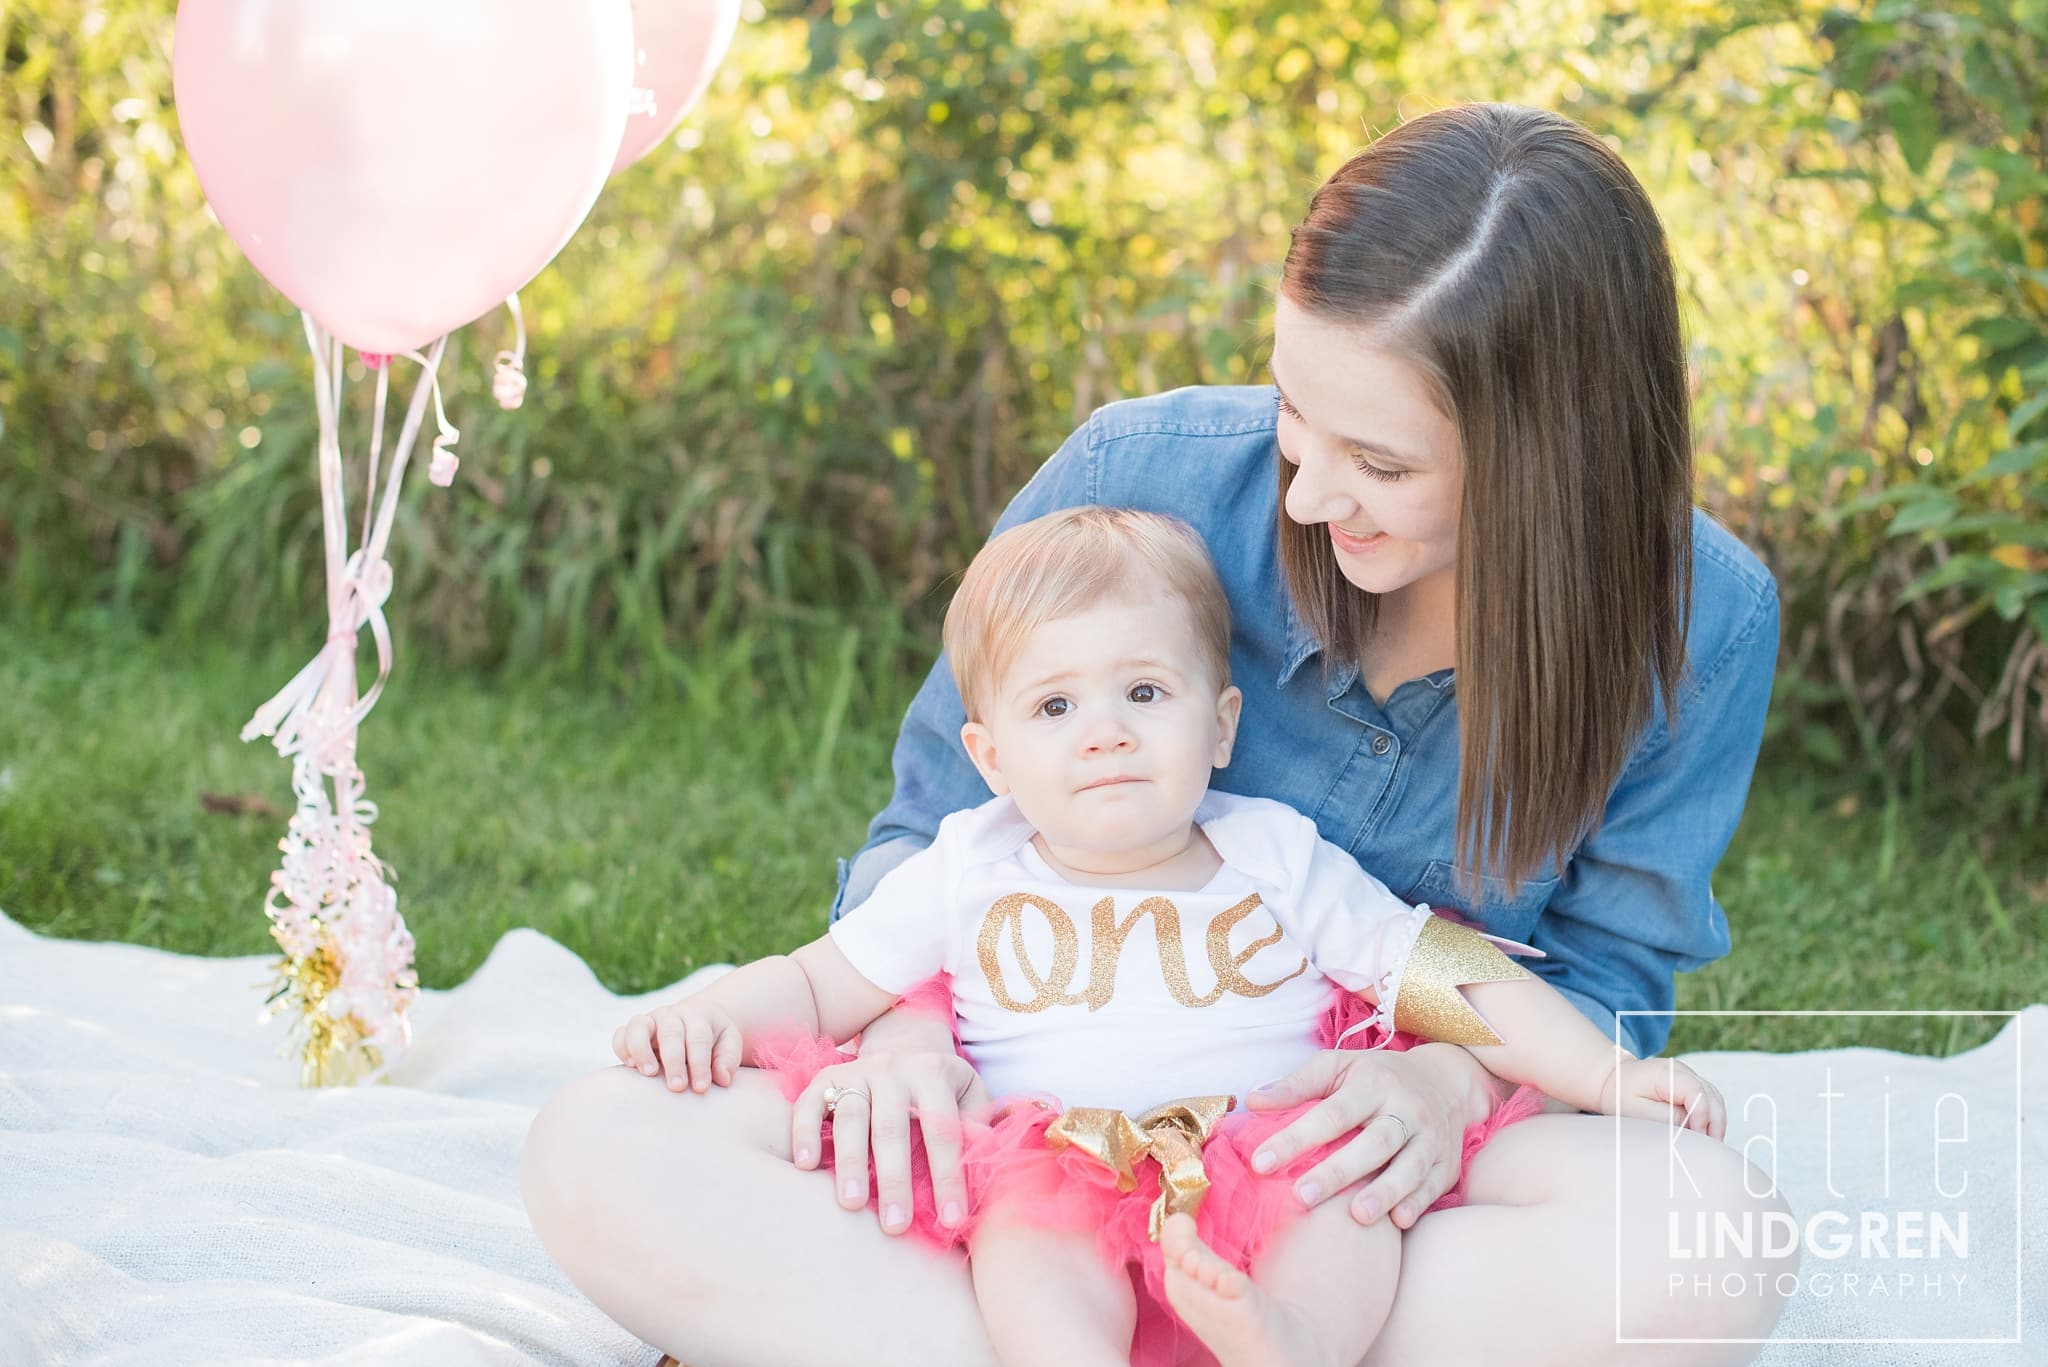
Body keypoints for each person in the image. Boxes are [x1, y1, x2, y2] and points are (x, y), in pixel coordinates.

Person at [524, 102, 1800, 1365]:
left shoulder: (1698, 621)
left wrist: (1444, 1084)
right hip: (1022, 1154)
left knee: (1708, 1240)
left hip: (1340, 1183)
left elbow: (1599, 976)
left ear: (1547, 458)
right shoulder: (1139, 474)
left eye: (1378, 461)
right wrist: (905, 1041)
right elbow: (933, 826)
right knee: (602, 1143)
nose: (1304, 490)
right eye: (1294, 406)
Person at [602, 506, 1727, 1367]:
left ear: (1220, 723)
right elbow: (815, 984)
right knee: (1028, 1255)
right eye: (1054, 707)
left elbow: (1448, 977)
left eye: (1143, 691)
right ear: (989, 756)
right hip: (1062, 1160)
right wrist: (712, 1013)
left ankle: (1287, 1339)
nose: (1103, 734)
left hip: (1261, 1154)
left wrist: (1603, 1069)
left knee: (1347, 1198)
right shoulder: (969, 866)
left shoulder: (1273, 853)